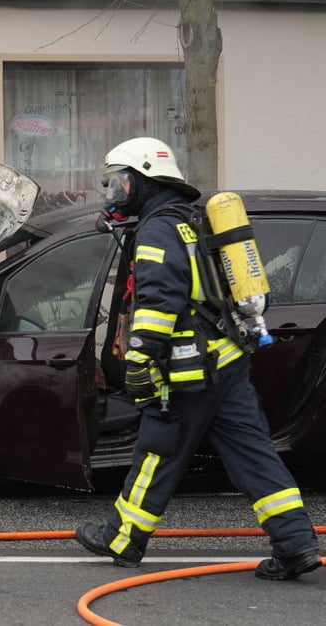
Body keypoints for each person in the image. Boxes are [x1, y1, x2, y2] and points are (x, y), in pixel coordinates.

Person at [75, 137, 320, 580]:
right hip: (227, 360)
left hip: (190, 369)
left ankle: (122, 537)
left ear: (145, 181)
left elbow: (158, 300)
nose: (117, 192)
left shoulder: (157, 230)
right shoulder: (189, 220)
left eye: (122, 182)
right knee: (255, 454)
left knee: (156, 451)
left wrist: (140, 360)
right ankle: (296, 544)